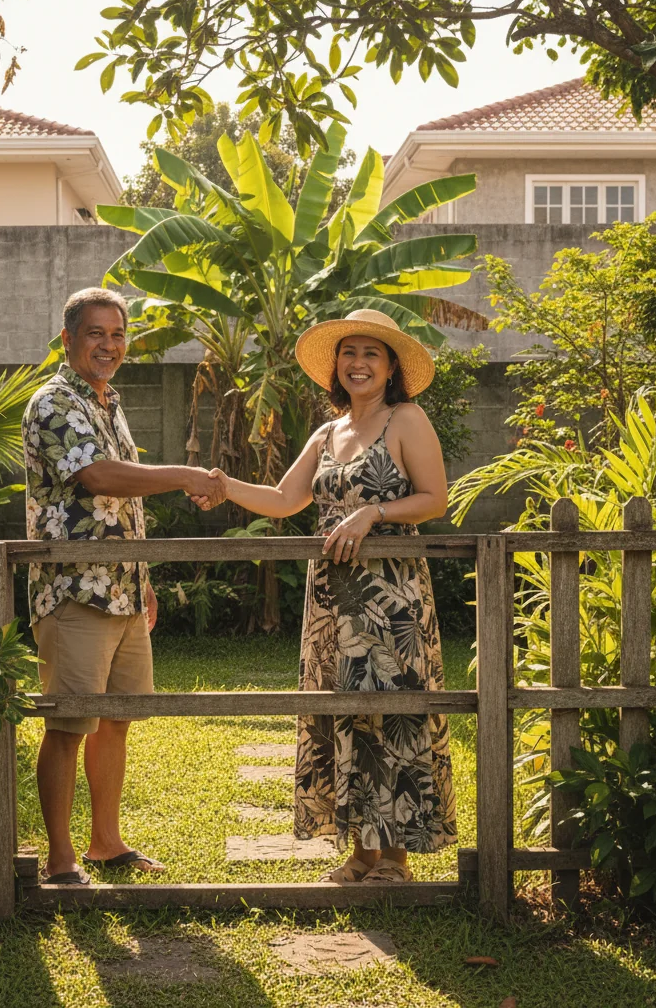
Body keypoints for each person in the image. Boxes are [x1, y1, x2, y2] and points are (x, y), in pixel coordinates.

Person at [196, 308, 456, 883]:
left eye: (371, 354)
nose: (358, 363)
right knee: (343, 712)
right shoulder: (326, 432)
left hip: (392, 598)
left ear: (391, 368)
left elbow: (435, 498)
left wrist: (372, 512)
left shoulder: (406, 419)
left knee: (390, 712)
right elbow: (287, 499)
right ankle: (362, 851)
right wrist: (222, 486)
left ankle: (395, 856)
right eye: (349, 353)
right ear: (336, 367)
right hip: (331, 604)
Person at [22, 286, 226, 886]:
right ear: (68, 339)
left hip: (124, 591)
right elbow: (97, 476)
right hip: (74, 592)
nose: (109, 345)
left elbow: (122, 503)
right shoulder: (55, 402)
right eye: (96, 334)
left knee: (116, 719)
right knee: (68, 723)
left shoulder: (108, 402)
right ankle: (60, 861)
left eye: (117, 335)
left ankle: (106, 844)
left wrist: (144, 579)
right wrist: (185, 474)